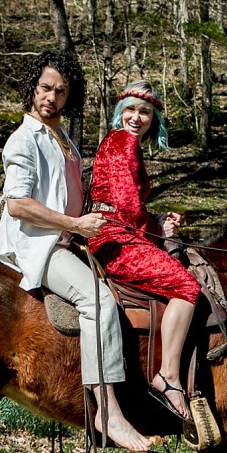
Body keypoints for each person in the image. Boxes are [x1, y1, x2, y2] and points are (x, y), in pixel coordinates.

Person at [0, 51, 153, 452]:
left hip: (65, 238)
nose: (51, 96)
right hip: (37, 245)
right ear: (33, 88)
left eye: (61, 91)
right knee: (98, 300)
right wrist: (75, 226)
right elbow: (17, 204)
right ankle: (108, 411)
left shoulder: (63, 139)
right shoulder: (23, 139)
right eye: (45, 88)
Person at [88, 81, 199, 420]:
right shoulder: (122, 141)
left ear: (154, 118)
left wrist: (156, 220)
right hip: (118, 239)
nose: (136, 117)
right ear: (119, 113)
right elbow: (125, 206)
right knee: (188, 287)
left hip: (117, 231)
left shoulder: (119, 143)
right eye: (130, 110)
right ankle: (168, 377)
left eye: (145, 112)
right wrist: (155, 229)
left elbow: (130, 205)